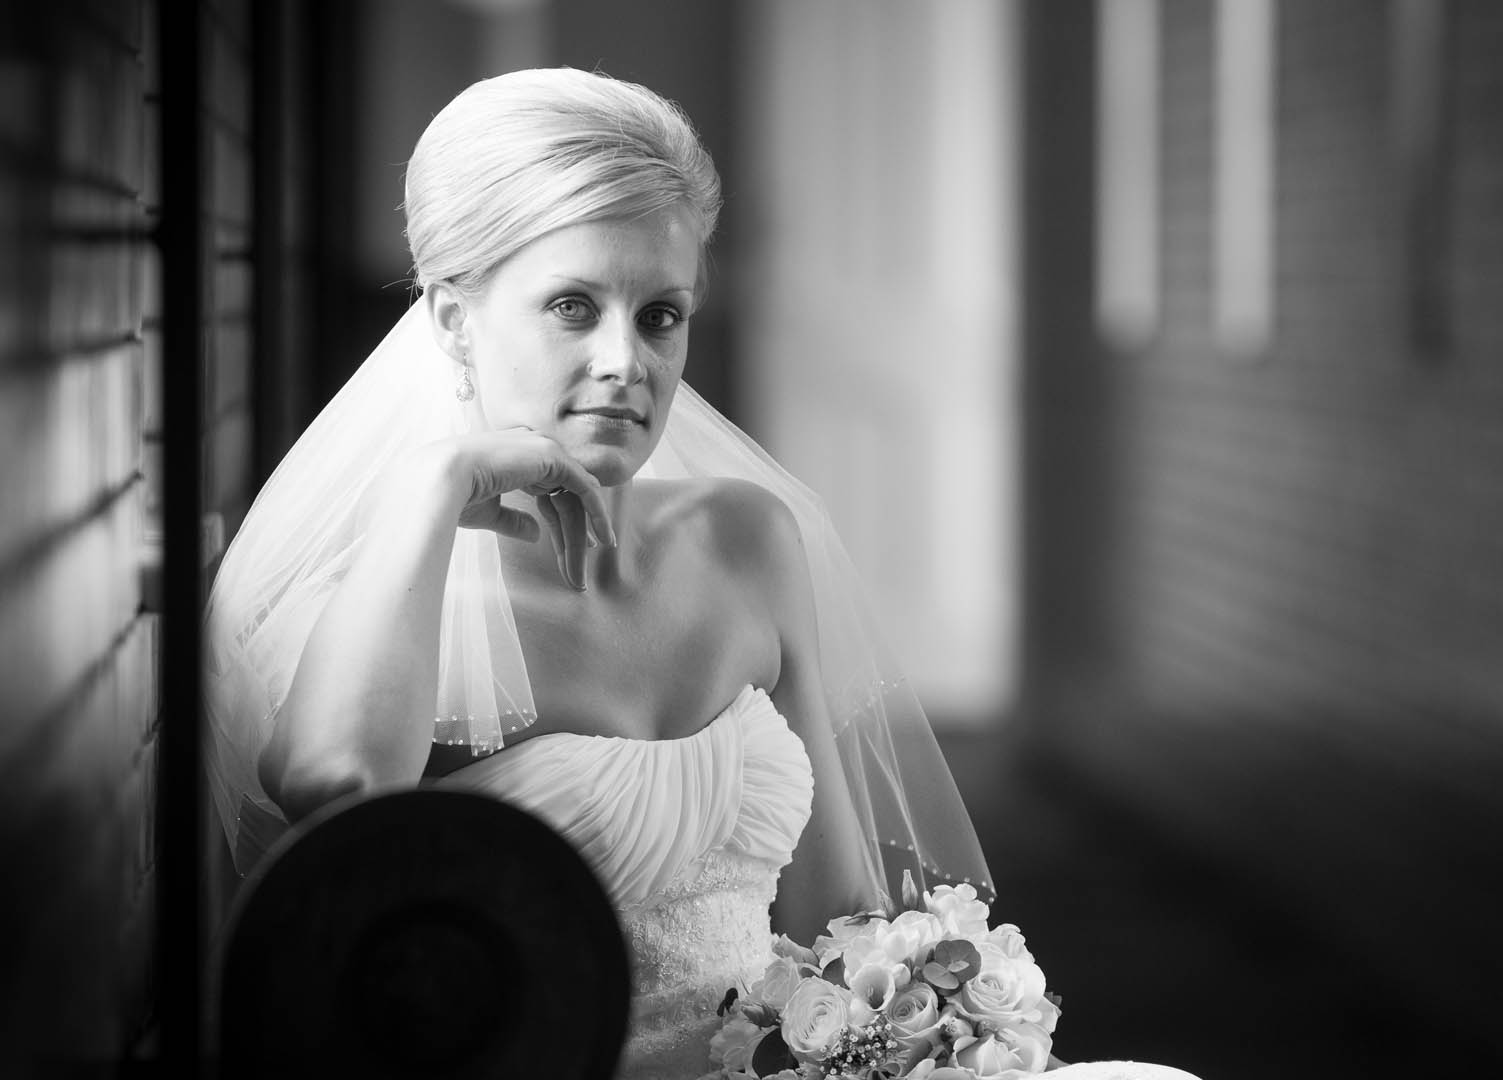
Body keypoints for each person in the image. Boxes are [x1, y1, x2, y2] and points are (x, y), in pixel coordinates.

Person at [203, 68, 995, 1078]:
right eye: (573, 306)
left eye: (661, 315)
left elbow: (838, 915)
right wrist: (435, 484)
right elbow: (338, 791)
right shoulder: (368, 605)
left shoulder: (747, 537)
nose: (628, 360)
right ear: (453, 322)